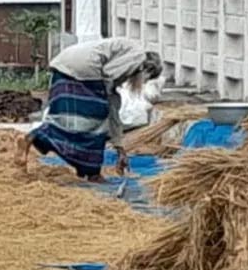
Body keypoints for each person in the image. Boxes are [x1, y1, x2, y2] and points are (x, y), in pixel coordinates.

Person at [15, 38, 163, 181]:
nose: (141, 82)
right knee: (98, 121)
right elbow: (109, 77)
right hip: (85, 69)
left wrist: (119, 147)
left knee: (64, 118)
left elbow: (112, 97)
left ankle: (33, 137)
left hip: (64, 65)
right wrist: (108, 101)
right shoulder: (138, 58)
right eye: (146, 79)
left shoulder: (128, 53)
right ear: (147, 71)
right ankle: (92, 173)